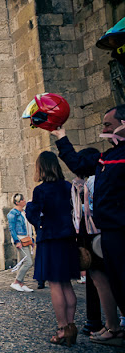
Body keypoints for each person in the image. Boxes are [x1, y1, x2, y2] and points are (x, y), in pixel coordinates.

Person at [51, 106, 125, 335]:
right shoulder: (108, 156)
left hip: (121, 230)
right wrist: (61, 137)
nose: (103, 129)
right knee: (119, 286)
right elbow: (80, 164)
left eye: (107, 124)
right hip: (110, 231)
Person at [26, 151, 79, 346]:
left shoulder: (41, 190)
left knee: (55, 284)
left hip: (50, 238)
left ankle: (62, 328)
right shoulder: (68, 186)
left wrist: (29, 207)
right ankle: (71, 326)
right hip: (68, 238)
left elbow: (34, 215)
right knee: (67, 284)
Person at [7, 193, 35, 292]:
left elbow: (29, 227)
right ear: (18, 202)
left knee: (24, 261)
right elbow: (11, 228)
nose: (24, 201)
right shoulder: (13, 213)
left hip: (26, 239)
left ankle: (21, 283)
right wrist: (16, 241)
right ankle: (16, 282)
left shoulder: (24, 212)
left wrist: (32, 239)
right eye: (22, 200)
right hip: (20, 239)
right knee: (28, 262)